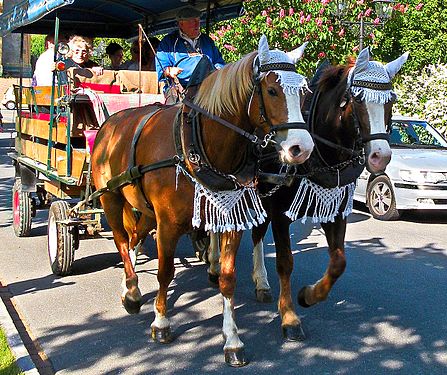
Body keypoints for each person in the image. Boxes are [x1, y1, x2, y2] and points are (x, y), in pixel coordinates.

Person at [156, 6, 225, 91]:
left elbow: (219, 61)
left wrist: (218, 69)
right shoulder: (168, 42)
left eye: (198, 20)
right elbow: (161, 68)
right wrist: (169, 71)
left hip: (208, 87)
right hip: (180, 89)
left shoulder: (207, 41)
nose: (197, 24)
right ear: (181, 24)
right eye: (192, 21)